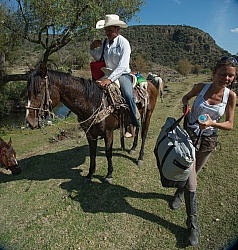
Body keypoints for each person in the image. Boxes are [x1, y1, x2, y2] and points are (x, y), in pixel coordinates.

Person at [169, 56, 237, 246]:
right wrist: (185, 105)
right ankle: (193, 225)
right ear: (214, 72)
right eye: (223, 74)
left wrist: (212, 123)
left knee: (193, 174)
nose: (227, 78)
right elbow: (185, 97)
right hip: (189, 137)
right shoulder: (200, 87)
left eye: (231, 76)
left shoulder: (230, 96)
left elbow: (230, 124)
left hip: (208, 141)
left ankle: (179, 194)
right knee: (192, 181)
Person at [90, 14, 140, 129]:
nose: (107, 33)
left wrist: (109, 79)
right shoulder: (105, 42)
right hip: (107, 73)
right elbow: (98, 57)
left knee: (128, 95)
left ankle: (133, 122)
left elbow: (122, 66)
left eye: (110, 30)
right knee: (92, 90)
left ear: (117, 29)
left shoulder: (124, 43)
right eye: (106, 30)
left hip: (122, 74)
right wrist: (92, 48)